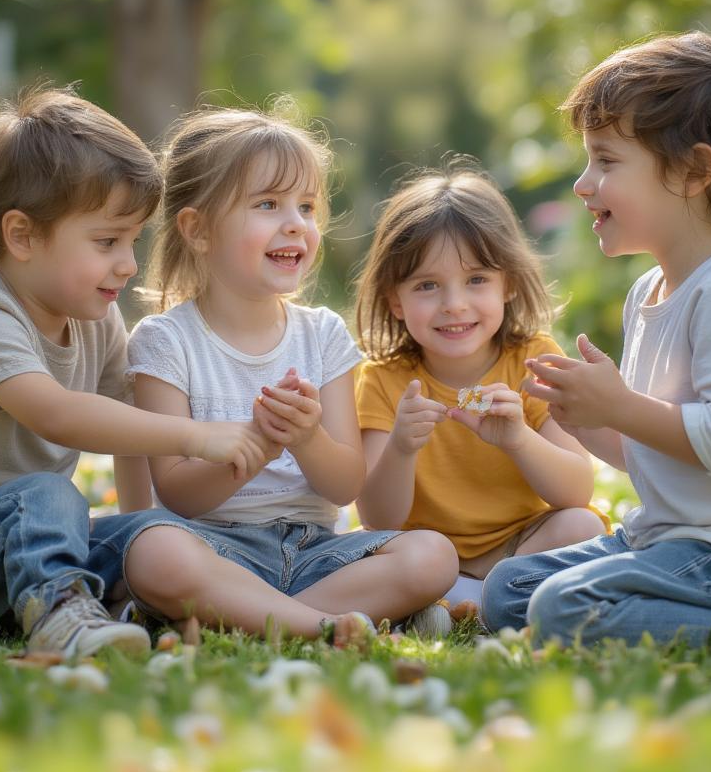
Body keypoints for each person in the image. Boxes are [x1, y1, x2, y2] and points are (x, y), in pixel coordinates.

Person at [0, 89, 268, 660]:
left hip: (22, 553)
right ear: (22, 236)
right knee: (46, 496)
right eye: (106, 241)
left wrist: (139, 521)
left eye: (131, 241)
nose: (127, 263)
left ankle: (185, 603)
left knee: (150, 538)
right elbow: (57, 414)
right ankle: (61, 616)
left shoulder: (94, 323)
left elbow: (132, 424)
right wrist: (194, 437)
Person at [482, 29, 711, 650]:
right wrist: (576, 416)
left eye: (606, 160)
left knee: (562, 611)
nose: (582, 182)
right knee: (506, 590)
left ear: (691, 172)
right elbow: (656, 453)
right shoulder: (649, 290)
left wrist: (619, 405)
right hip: (669, 535)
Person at [119, 103, 458, 644]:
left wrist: (305, 439)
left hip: (314, 551)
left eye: (306, 206)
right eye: (268, 204)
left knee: (432, 556)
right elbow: (178, 494)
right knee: (156, 554)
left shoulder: (321, 334)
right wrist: (256, 445)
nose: (296, 224)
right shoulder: (165, 342)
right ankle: (320, 624)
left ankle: (240, 619)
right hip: (214, 547)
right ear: (198, 229)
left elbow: (345, 484)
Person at [354, 166, 607, 634]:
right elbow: (377, 517)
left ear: (507, 284)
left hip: (520, 547)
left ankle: (460, 603)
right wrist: (401, 448)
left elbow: (576, 491)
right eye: (427, 285)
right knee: (373, 553)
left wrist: (518, 440)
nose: (454, 303)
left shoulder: (533, 360)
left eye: (476, 280)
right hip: (426, 552)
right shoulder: (383, 381)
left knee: (581, 528)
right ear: (394, 300)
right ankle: (475, 601)